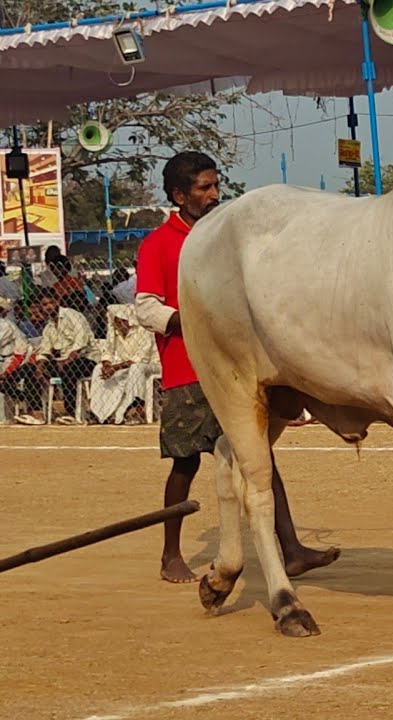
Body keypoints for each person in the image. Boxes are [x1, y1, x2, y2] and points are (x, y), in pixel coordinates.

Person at [135, 151, 339, 583]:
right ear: (179, 195)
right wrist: (195, 320)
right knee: (185, 463)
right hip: (188, 370)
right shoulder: (159, 244)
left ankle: (291, 550)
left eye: (216, 185)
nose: (214, 195)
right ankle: (170, 554)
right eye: (203, 188)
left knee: (258, 456)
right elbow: (146, 308)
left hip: (239, 369)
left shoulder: (229, 239)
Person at [6, 287, 95, 425]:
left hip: (85, 358)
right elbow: (45, 349)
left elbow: (81, 341)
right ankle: (37, 413)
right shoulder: (49, 326)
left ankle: (71, 413)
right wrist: (40, 365)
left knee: (69, 369)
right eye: (44, 305)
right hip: (61, 361)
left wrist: (67, 359)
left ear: (57, 301)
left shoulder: (72, 315)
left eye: (50, 303)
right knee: (30, 369)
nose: (48, 307)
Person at [88, 304, 159, 424]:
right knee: (98, 368)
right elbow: (107, 351)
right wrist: (106, 365)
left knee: (136, 368)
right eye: (117, 322)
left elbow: (141, 358)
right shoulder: (114, 331)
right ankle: (100, 412)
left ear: (130, 319)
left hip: (151, 365)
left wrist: (115, 367)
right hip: (125, 365)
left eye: (123, 321)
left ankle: (137, 409)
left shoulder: (144, 330)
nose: (121, 325)